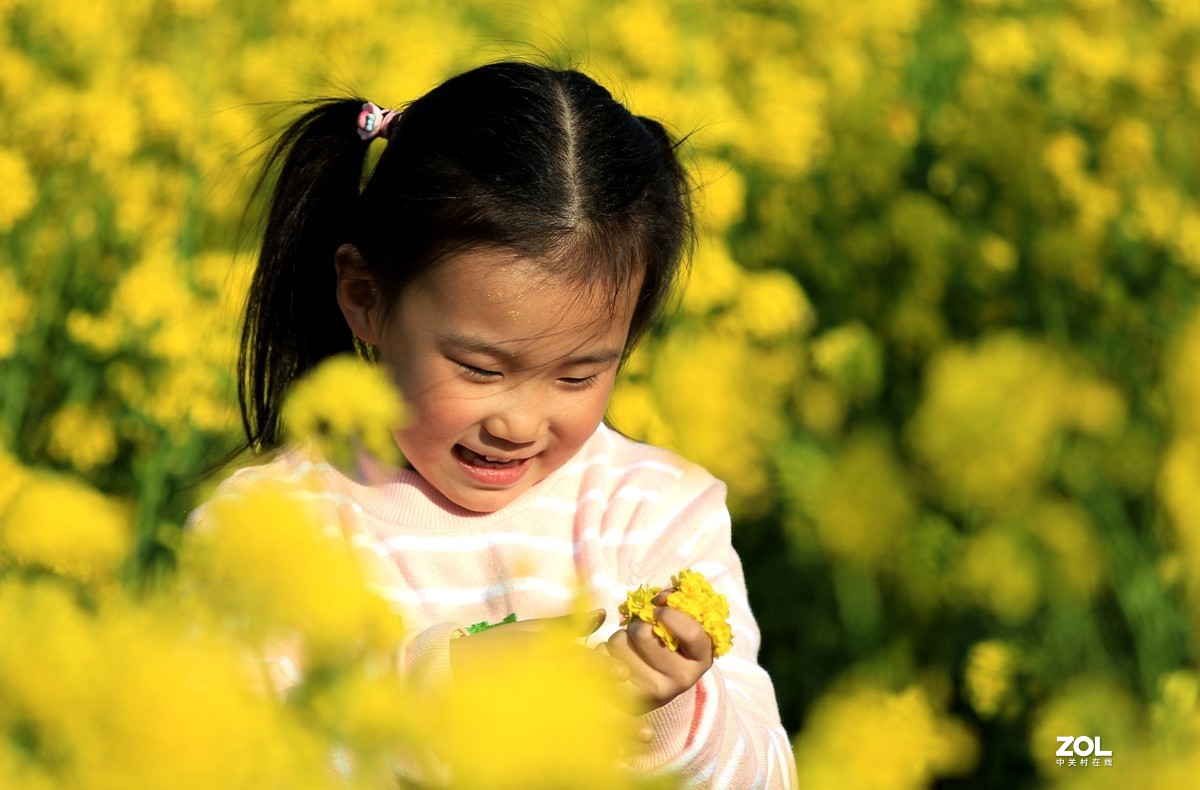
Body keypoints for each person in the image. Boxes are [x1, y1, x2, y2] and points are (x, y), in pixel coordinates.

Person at [194, 61, 796, 787]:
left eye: (579, 375)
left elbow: (767, 776)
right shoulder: (270, 529)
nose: (519, 423)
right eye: (481, 370)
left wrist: (664, 717)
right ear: (364, 297)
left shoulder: (655, 517)